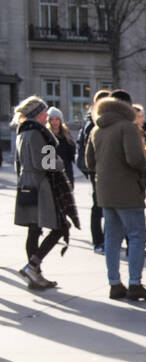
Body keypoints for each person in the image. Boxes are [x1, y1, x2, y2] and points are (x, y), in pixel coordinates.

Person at [85, 89, 146, 301]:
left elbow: (89, 162)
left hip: (104, 191)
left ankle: (114, 283)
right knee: (136, 235)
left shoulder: (96, 130)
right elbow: (135, 159)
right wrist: (145, 168)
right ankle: (135, 283)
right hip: (127, 190)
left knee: (111, 238)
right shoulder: (127, 128)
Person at [13, 95, 78, 290]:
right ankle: (33, 266)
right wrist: (59, 162)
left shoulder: (22, 132)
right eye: (43, 112)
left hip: (26, 183)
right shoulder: (40, 133)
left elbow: (21, 162)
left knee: (34, 229)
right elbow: (48, 163)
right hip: (41, 185)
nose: (46, 116)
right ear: (38, 114)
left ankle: (36, 276)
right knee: (60, 226)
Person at [77, 90, 111, 253]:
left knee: (101, 205)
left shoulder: (93, 121)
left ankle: (104, 239)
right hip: (97, 170)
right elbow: (90, 152)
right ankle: (98, 240)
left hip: (99, 169)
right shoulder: (93, 123)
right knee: (98, 205)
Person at [46, 108, 76, 188]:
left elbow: (72, 153)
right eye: (52, 119)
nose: (54, 122)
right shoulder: (46, 134)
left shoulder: (66, 133)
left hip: (66, 170)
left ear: (60, 120)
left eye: (57, 119)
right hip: (52, 171)